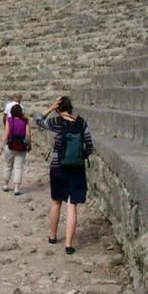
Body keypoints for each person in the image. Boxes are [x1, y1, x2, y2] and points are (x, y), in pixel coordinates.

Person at [35, 96, 94, 254]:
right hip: (77, 167)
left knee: (56, 202)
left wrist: (49, 109)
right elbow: (89, 145)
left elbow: (38, 120)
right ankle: (68, 244)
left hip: (58, 166)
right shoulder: (81, 123)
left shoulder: (55, 123)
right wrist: (79, 158)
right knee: (71, 205)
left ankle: (53, 236)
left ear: (58, 108)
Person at [0, 104, 31, 195]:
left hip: (11, 145)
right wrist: (29, 145)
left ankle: (5, 184)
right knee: (18, 167)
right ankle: (16, 188)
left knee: (8, 165)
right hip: (21, 147)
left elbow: (6, 134)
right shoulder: (25, 121)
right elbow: (28, 135)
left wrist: (1, 147)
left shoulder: (9, 120)